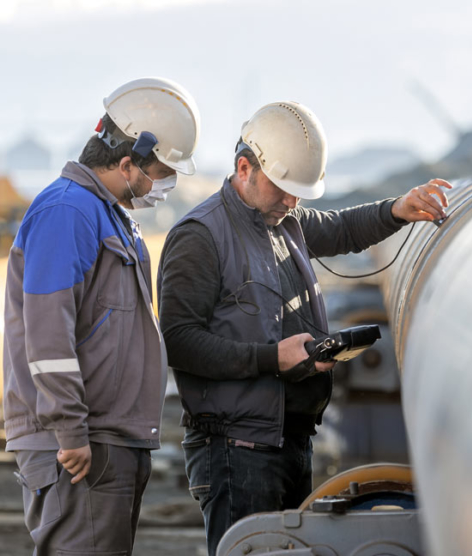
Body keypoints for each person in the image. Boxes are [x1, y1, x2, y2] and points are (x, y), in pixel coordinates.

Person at [157, 100, 452, 555]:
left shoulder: (283, 222)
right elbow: (179, 343)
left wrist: (398, 209)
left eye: (299, 193)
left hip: (289, 439)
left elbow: (340, 229)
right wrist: (272, 358)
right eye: (284, 189)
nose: (293, 201)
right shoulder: (200, 237)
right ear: (244, 169)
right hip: (238, 452)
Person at [2, 77, 200, 555]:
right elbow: (47, 333)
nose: (163, 186)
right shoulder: (67, 211)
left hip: (109, 439)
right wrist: (69, 430)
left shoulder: (108, 214)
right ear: (127, 161)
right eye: (160, 172)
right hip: (78, 447)